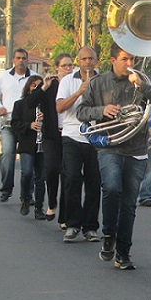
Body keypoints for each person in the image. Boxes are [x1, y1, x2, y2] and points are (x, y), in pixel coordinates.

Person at [76, 42, 151, 270]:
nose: (130, 64)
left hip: (137, 150)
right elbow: (81, 112)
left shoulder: (143, 81)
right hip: (110, 146)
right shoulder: (99, 83)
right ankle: (109, 234)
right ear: (113, 60)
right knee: (111, 188)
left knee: (129, 204)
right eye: (125, 59)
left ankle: (123, 253)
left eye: (133, 60)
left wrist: (143, 87)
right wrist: (102, 111)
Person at [56, 47, 101, 242]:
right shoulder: (68, 81)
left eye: (91, 58)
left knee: (94, 182)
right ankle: (72, 224)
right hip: (72, 135)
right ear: (78, 61)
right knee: (72, 178)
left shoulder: (103, 79)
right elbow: (59, 107)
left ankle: (90, 227)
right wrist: (79, 91)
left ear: (96, 61)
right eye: (84, 59)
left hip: (96, 136)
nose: (88, 62)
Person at [26, 53, 74, 230]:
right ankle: (52, 202)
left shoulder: (76, 85)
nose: (68, 69)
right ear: (57, 68)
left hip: (70, 135)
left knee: (68, 175)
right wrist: (43, 87)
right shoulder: (51, 86)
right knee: (52, 169)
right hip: (52, 136)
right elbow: (30, 103)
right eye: (64, 66)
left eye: (70, 65)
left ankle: (65, 217)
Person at [0, 48, 37, 203]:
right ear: (13, 60)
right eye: (18, 58)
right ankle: (6, 189)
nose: (21, 61)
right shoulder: (4, 77)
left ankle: (27, 194)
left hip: (28, 126)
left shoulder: (35, 78)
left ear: (27, 60)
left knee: (27, 165)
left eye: (24, 58)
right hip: (9, 123)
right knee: (8, 157)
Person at [11, 75, 46, 220]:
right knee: (26, 173)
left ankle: (39, 207)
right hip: (27, 143)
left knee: (41, 178)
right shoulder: (20, 104)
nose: (36, 89)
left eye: (39, 86)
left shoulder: (46, 105)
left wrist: (46, 119)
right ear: (28, 87)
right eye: (33, 86)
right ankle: (25, 197)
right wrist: (29, 125)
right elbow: (14, 124)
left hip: (42, 144)